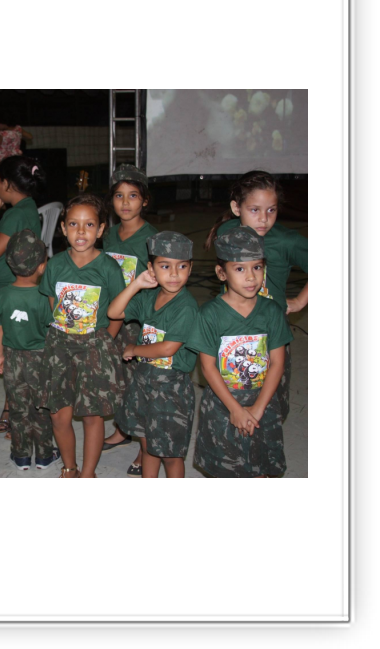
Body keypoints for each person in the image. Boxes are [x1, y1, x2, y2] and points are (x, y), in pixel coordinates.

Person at [186, 227, 293, 477]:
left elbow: (277, 363)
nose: (251, 277)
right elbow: (208, 367)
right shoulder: (210, 314)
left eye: (257, 267)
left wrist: (258, 408)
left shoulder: (272, 312)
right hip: (223, 405)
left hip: (263, 402)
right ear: (221, 273)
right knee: (225, 469)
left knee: (262, 466)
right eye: (240, 269)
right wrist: (235, 409)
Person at [204, 170, 307, 422]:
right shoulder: (227, 231)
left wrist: (300, 301)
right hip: (230, 330)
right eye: (254, 210)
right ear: (236, 208)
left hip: (270, 335)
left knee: (270, 404)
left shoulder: (285, 241)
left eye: (271, 210)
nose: (264, 219)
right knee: (228, 397)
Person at [38, 193, 126, 477]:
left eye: (89, 225)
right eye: (73, 224)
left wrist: (104, 342)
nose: (81, 231)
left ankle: (88, 473)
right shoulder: (55, 265)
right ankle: (70, 466)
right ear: (63, 228)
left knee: (92, 414)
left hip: (94, 347)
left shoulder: (108, 267)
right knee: (58, 414)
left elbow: (117, 313)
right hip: (59, 346)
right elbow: (53, 304)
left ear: (100, 230)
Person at [107, 232, 199, 478]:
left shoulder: (186, 306)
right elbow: (114, 312)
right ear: (151, 269)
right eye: (165, 266)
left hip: (171, 389)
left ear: (190, 269)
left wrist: (134, 349)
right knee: (148, 446)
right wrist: (136, 284)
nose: (174, 274)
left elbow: (168, 348)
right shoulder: (149, 297)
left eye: (182, 266)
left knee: (171, 455)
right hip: (145, 381)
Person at [0, 156, 45, 437]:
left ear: (6, 183)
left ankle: (15, 413)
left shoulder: (15, 215)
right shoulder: (27, 208)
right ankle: (13, 410)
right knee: (14, 353)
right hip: (10, 287)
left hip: (8, 290)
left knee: (12, 354)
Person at [0, 230, 60, 471]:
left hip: (12, 358)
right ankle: (45, 456)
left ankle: (21, 456)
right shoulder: (44, 297)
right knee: (41, 409)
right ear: (41, 266)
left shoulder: (1, 295)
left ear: (9, 263)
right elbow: (51, 331)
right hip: (39, 359)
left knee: (18, 409)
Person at [100, 164, 159, 474]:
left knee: (141, 385)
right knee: (120, 381)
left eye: (133, 195)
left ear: (144, 200)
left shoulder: (152, 239)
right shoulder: (109, 235)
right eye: (119, 195)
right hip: (113, 319)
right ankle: (123, 430)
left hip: (139, 324)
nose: (125, 202)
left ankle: (144, 449)